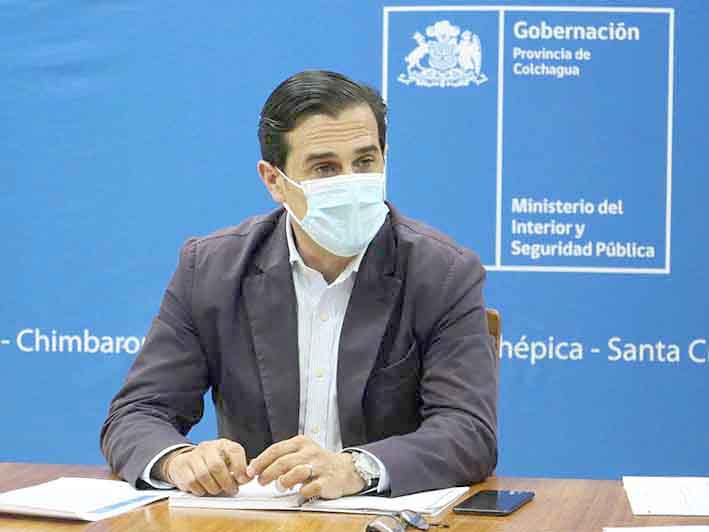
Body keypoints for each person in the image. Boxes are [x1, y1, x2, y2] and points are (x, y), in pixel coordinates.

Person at [100, 70, 498, 500]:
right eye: (325, 168)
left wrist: (357, 468)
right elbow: (137, 414)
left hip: (382, 519)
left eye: (365, 161)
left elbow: (468, 431)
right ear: (274, 180)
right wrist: (179, 460)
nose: (350, 182)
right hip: (254, 521)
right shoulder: (211, 270)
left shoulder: (443, 273)